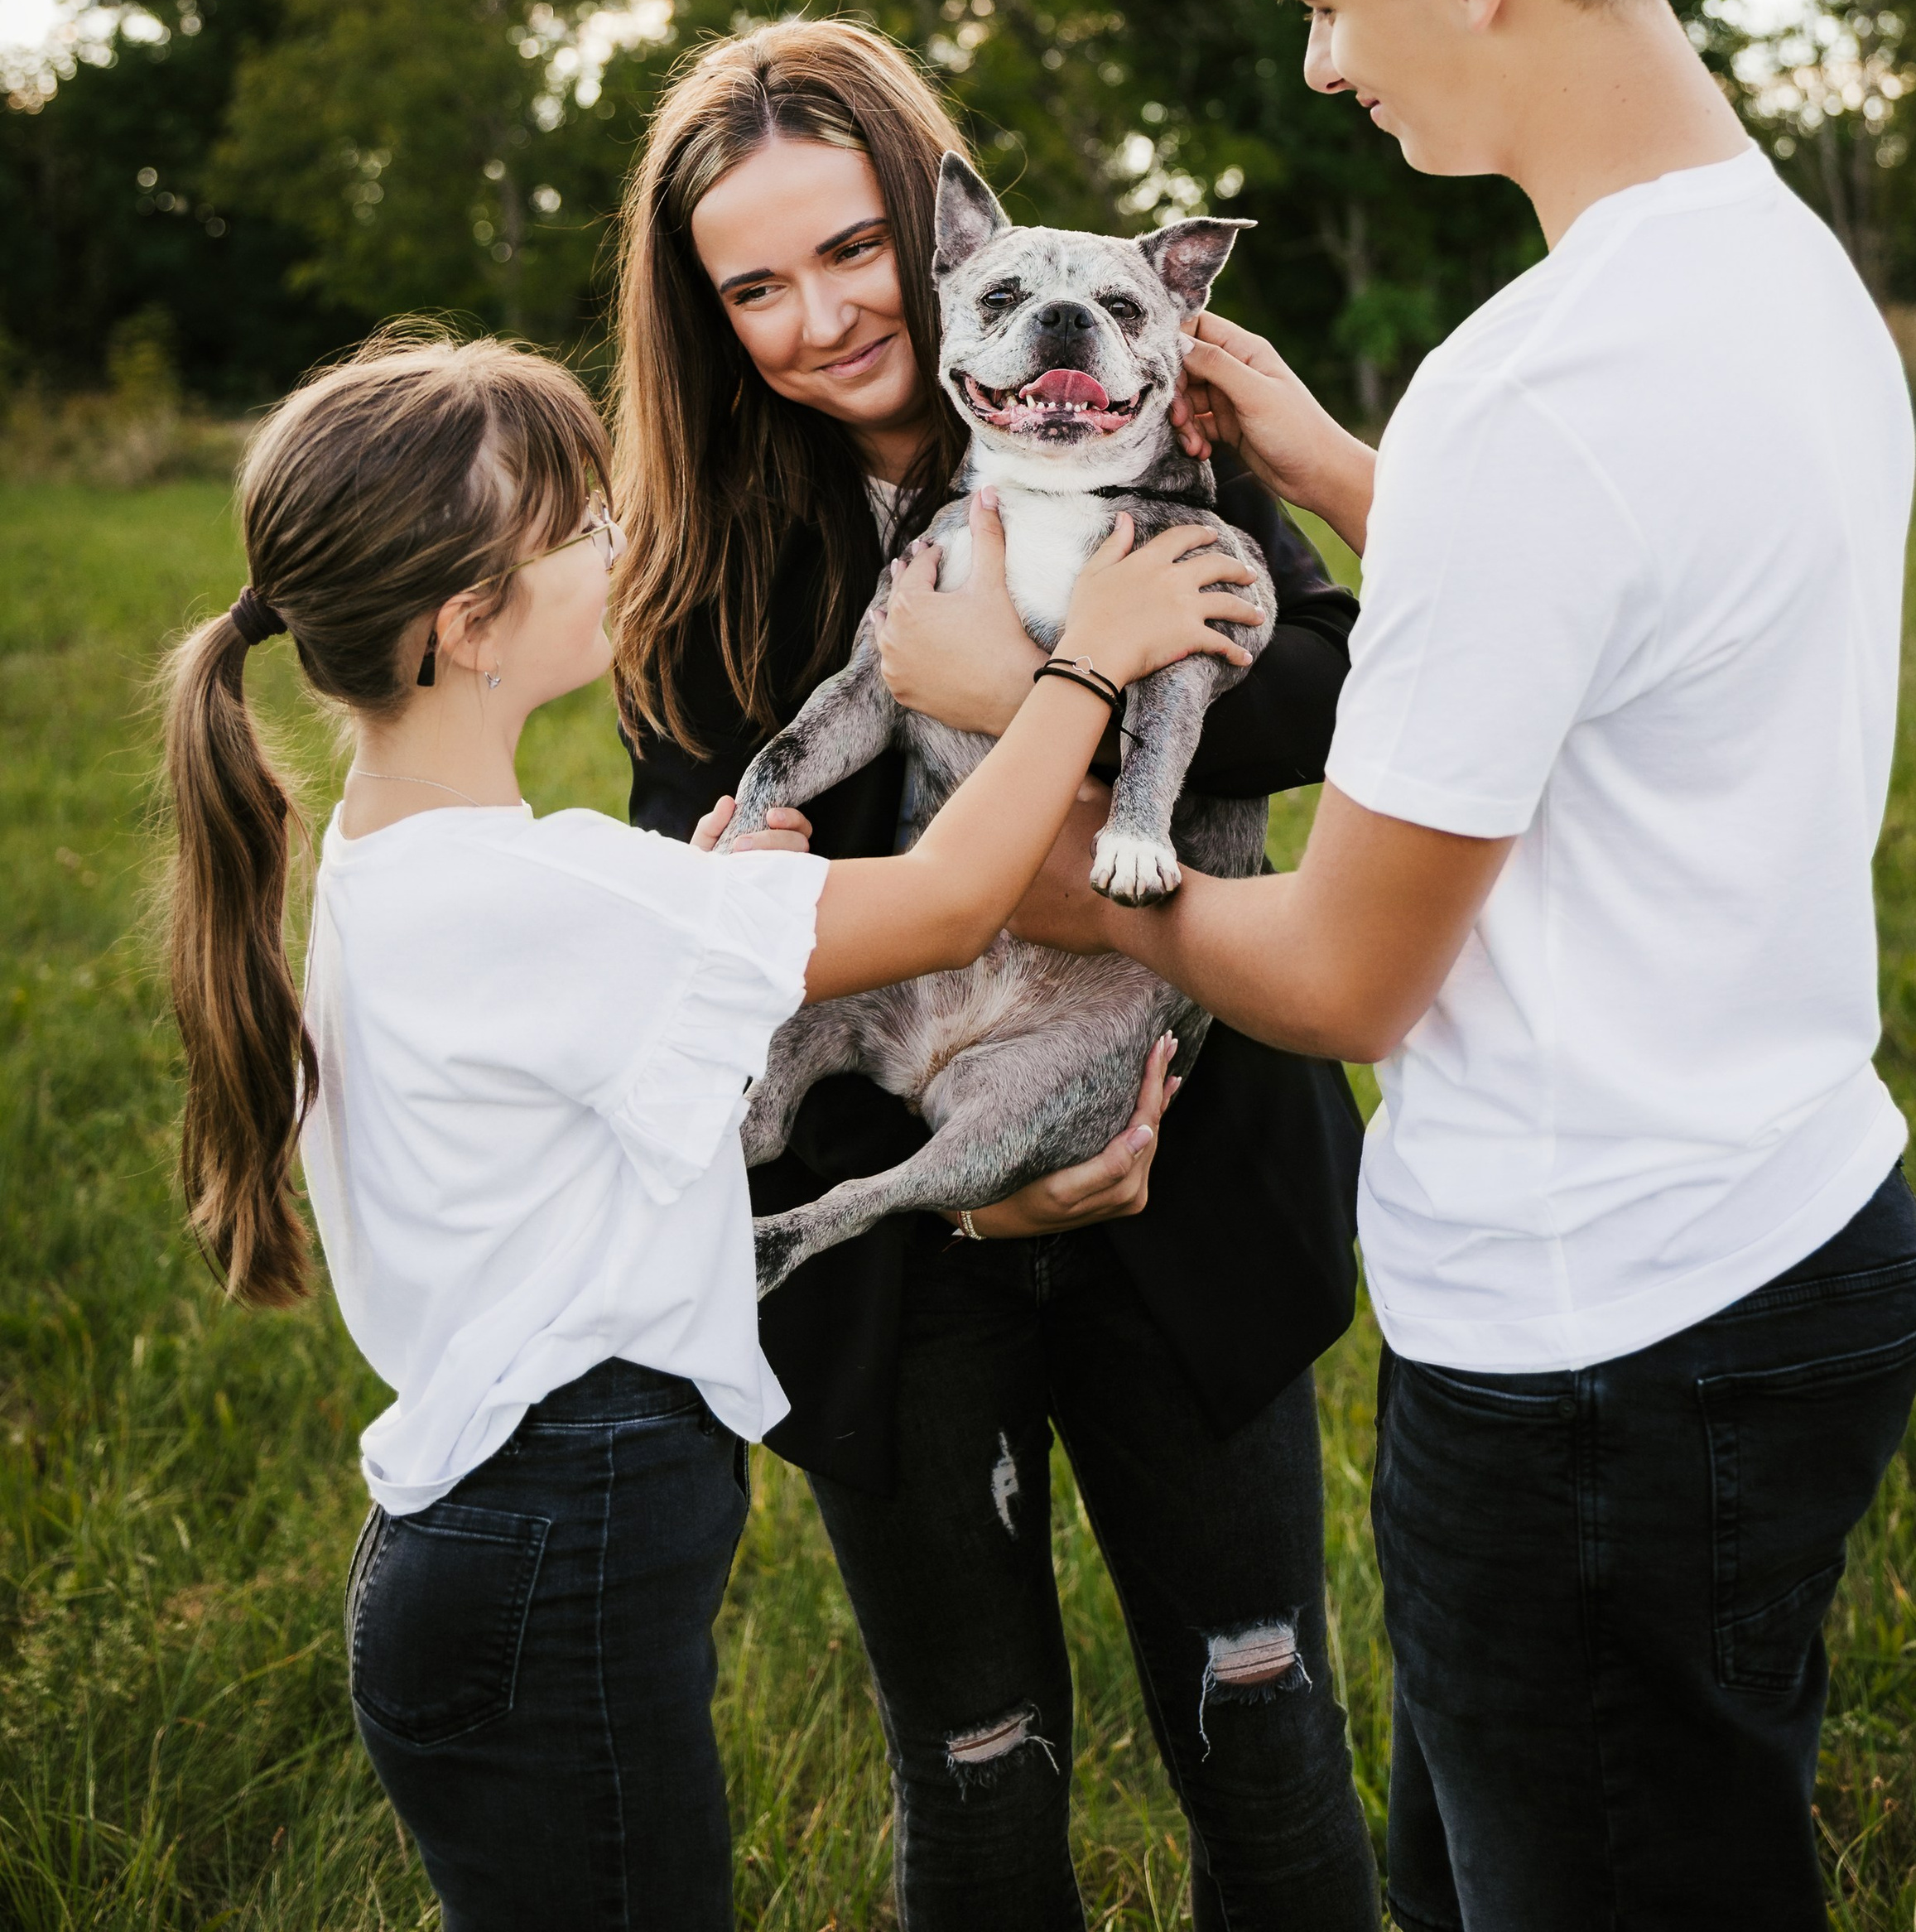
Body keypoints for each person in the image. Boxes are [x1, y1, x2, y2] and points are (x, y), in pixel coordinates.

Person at [1015, 0, 1916, 1932]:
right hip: (1797, 1228)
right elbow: (1636, 625)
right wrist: (1348, 470)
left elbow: (1334, 973)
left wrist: (1033, 865)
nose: (1322, 66)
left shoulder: (1542, 396)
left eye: (1332, 1)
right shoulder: (1778, 279)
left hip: (1599, 1347)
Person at [159, 326, 1249, 1932]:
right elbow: (950, 900)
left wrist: (707, 896)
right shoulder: (571, 893)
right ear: (469, 626)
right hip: (564, 1526)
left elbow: (613, 998)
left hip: (483, 1536)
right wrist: (1085, 661)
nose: (618, 547)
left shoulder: (402, 862)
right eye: (579, 531)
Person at [608, 19, 1381, 1932]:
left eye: (853, 247)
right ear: (704, 319)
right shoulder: (699, 566)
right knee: (973, 1774)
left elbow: (1329, 683)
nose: (819, 314)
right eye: (755, 285)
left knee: (1262, 1740)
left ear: (935, 236)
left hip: (1180, 1163)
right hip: (884, 1227)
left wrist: (1072, 661)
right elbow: (705, 959)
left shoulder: (1136, 419)